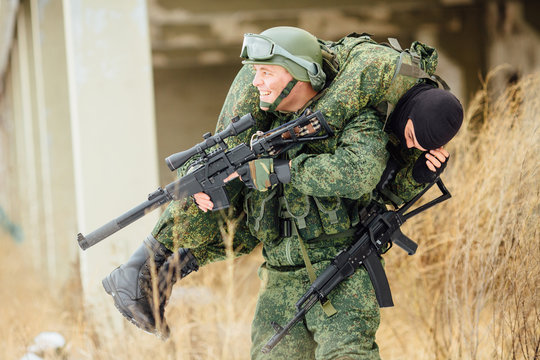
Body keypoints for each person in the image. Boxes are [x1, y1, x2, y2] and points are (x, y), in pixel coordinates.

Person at [102, 27, 463, 359]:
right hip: (278, 273)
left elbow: (361, 175)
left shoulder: (360, 119)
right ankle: (152, 274)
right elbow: (243, 224)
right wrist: (208, 205)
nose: (256, 82)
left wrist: (280, 170)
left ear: (301, 74)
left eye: (266, 72)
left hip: (340, 268)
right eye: (255, 72)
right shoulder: (260, 131)